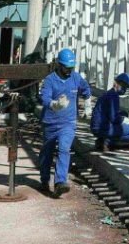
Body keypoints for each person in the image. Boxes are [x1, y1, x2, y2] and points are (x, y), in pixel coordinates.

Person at [38, 48, 91, 197]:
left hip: (68, 123)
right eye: (66, 68)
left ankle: (60, 182)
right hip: (50, 123)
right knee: (46, 153)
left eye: (71, 68)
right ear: (59, 65)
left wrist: (88, 105)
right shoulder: (49, 80)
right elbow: (45, 98)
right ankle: (44, 179)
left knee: (64, 149)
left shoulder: (76, 78)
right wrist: (54, 105)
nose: (68, 71)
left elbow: (86, 90)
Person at [90, 72, 129, 150]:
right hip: (103, 127)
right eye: (123, 86)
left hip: (96, 127)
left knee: (124, 117)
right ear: (116, 83)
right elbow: (114, 118)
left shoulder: (107, 94)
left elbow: (109, 113)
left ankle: (103, 139)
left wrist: (122, 115)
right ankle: (108, 142)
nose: (124, 89)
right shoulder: (114, 96)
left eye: (126, 87)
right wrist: (123, 119)